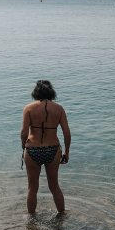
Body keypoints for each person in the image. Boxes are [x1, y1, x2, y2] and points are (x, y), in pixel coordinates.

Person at [20, 80, 71, 214]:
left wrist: (23, 147)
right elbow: (67, 132)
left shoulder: (29, 108)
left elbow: (24, 133)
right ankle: (62, 215)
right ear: (51, 92)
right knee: (54, 187)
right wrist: (67, 152)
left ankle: (31, 220)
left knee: (32, 188)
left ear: (35, 92)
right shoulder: (59, 109)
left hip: (32, 150)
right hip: (53, 150)